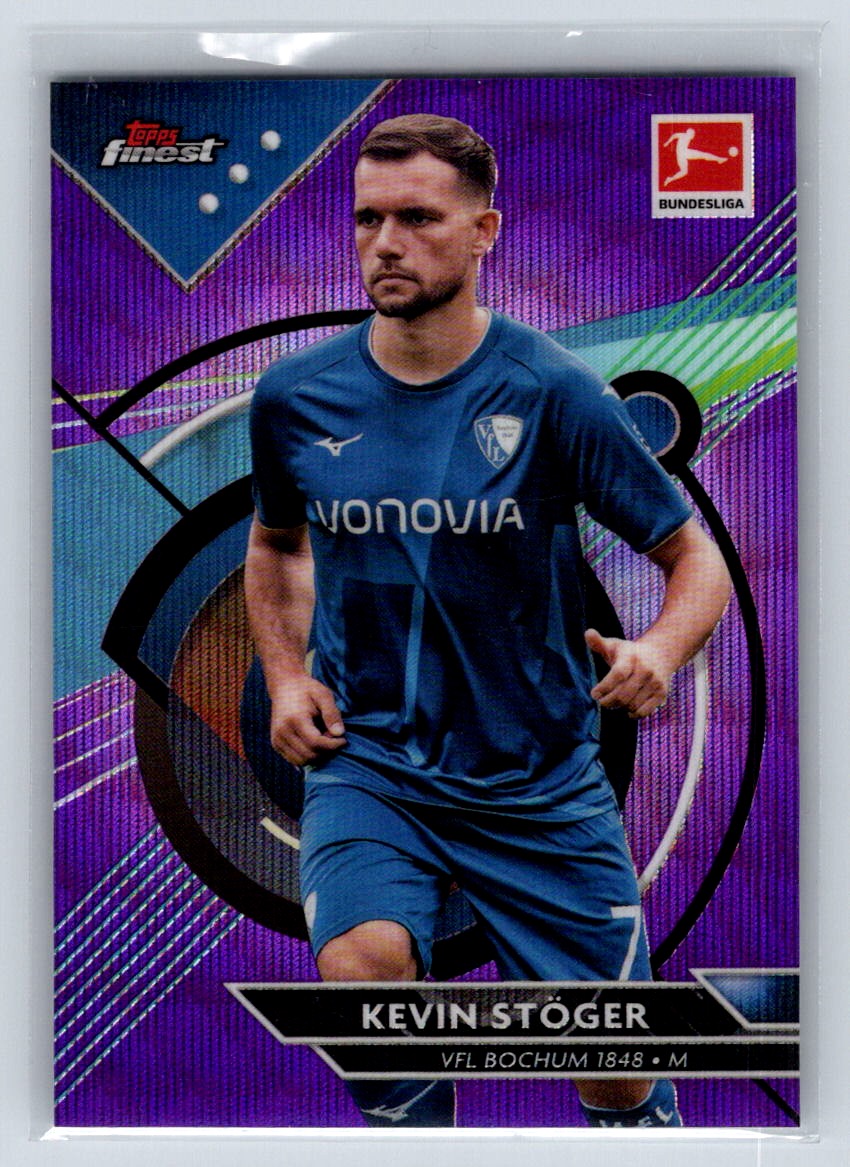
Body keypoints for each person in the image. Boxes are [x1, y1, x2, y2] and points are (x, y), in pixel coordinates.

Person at [245, 113, 731, 1128]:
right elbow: (278, 546)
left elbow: (695, 559)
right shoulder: (296, 396)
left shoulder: (554, 392)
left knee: (612, 1067)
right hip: (373, 762)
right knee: (364, 973)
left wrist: (659, 648)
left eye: (418, 218)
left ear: (482, 232)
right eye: (368, 218)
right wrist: (287, 677)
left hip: (535, 781)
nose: (386, 243)